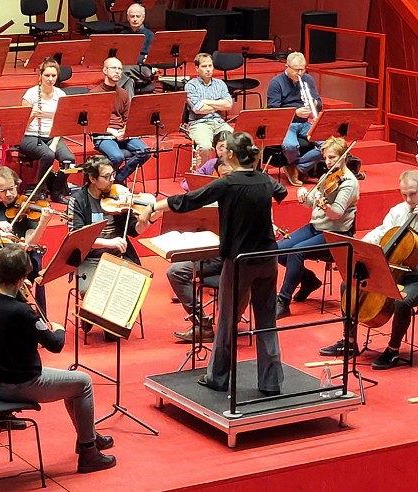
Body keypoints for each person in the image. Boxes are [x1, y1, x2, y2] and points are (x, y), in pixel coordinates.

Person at [147, 132, 286, 394]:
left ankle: (219, 377)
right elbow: (282, 191)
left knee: (227, 321)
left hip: (240, 260)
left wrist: (156, 206)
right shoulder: (265, 180)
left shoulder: (228, 183)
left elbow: (190, 200)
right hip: (268, 258)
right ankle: (271, 382)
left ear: (231, 155)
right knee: (267, 321)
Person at [0, 244, 117, 473]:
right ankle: (88, 452)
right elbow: (55, 344)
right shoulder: (22, 312)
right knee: (83, 382)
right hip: (22, 384)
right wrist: (59, 328)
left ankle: (89, 435)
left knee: (71, 383)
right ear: (23, 277)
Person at [319, 171, 418, 367]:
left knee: (401, 300)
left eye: (412, 194)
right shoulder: (400, 210)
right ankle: (350, 342)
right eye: (404, 195)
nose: (409, 199)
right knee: (349, 284)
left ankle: (393, 350)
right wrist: (362, 244)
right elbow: (383, 231)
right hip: (396, 266)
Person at [167, 137, 243, 343]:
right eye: (223, 177)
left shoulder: (246, 193)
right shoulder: (215, 190)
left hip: (234, 255)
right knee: (175, 271)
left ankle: (226, 325)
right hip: (211, 251)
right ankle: (203, 322)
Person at [276, 136, 358, 319]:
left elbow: (336, 213)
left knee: (296, 252)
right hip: (316, 227)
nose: (328, 162)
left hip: (336, 233)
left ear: (343, 157)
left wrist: (325, 206)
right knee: (278, 250)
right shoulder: (326, 176)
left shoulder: (349, 183)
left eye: (332, 158)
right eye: (326, 158)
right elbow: (311, 203)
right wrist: (304, 194)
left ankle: (283, 301)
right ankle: (308, 280)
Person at [69, 156, 153, 295]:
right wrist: (109, 243)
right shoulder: (78, 200)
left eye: (113, 174)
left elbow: (133, 229)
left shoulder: (118, 194)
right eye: (107, 176)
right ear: (92, 179)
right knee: (91, 292)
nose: (112, 179)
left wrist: (148, 220)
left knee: (136, 286)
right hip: (90, 259)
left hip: (118, 256)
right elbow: (78, 238)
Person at [0, 166, 54, 311]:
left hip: (21, 260)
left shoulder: (28, 208)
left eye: (12, 188)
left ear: (17, 185)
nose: (8, 194)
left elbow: (30, 243)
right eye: (2, 191)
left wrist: (42, 223)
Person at [19, 58, 74, 203]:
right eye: (47, 76)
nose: (50, 79)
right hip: (30, 135)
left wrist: (55, 143)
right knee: (48, 155)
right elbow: (19, 126)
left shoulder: (61, 95)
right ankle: (40, 190)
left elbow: (62, 122)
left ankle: (56, 191)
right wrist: (31, 116)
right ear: (40, 76)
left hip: (52, 135)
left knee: (69, 159)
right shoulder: (30, 94)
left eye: (53, 76)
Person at [265, 52, 323, 186]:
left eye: (303, 69)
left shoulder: (308, 79)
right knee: (291, 146)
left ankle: (296, 168)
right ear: (287, 67)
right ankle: (295, 167)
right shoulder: (276, 83)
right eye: (297, 70)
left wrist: (315, 103)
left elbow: (319, 104)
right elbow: (273, 111)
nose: (300, 73)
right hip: (286, 124)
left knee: (329, 145)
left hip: (304, 123)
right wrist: (295, 112)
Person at [91, 57, 151, 184]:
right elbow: (92, 123)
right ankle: (111, 181)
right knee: (118, 157)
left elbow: (127, 117)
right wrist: (112, 132)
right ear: (105, 70)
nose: (118, 71)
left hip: (122, 133)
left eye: (120, 69)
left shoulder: (123, 93)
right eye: (114, 68)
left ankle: (118, 178)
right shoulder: (94, 93)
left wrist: (125, 130)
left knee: (146, 152)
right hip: (104, 134)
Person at [184, 53, 234, 166]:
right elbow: (197, 109)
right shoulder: (191, 86)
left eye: (210, 66)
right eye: (204, 66)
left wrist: (206, 101)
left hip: (219, 122)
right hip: (199, 123)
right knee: (205, 147)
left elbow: (228, 105)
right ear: (197, 68)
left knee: (238, 142)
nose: (208, 69)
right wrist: (218, 105)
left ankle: (231, 175)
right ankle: (203, 177)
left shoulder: (220, 84)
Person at [120, 3, 155, 95]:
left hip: (144, 69)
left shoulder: (150, 35)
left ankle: (111, 89)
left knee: (122, 71)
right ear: (128, 18)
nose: (135, 19)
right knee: (129, 81)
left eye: (138, 16)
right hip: (128, 68)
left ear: (143, 18)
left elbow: (149, 58)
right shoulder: (123, 34)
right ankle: (128, 106)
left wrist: (135, 59)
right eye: (132, 16)